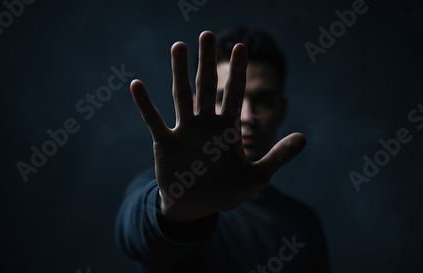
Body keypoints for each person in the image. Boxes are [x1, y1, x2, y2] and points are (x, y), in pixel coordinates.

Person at [115, 26, 330, 272]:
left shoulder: (303, 224)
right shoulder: (159, 191)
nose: (246, 116)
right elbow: (135, 237)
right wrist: (175, 211)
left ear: (281, 111)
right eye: (226, 98)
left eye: (263, 100)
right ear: (198, 106)